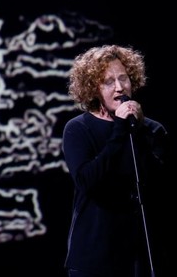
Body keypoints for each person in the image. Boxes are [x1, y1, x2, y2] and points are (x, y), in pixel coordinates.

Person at [62, 44, 169, 277]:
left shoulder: (152, 130)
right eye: (108, 82)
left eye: (123, 78)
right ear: (93, 88)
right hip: (95, 257)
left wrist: (138, 131)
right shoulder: (78, 129)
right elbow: (87, 180)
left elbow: (161, 185)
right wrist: (119, 131)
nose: (120, 87)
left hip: (140, 255)